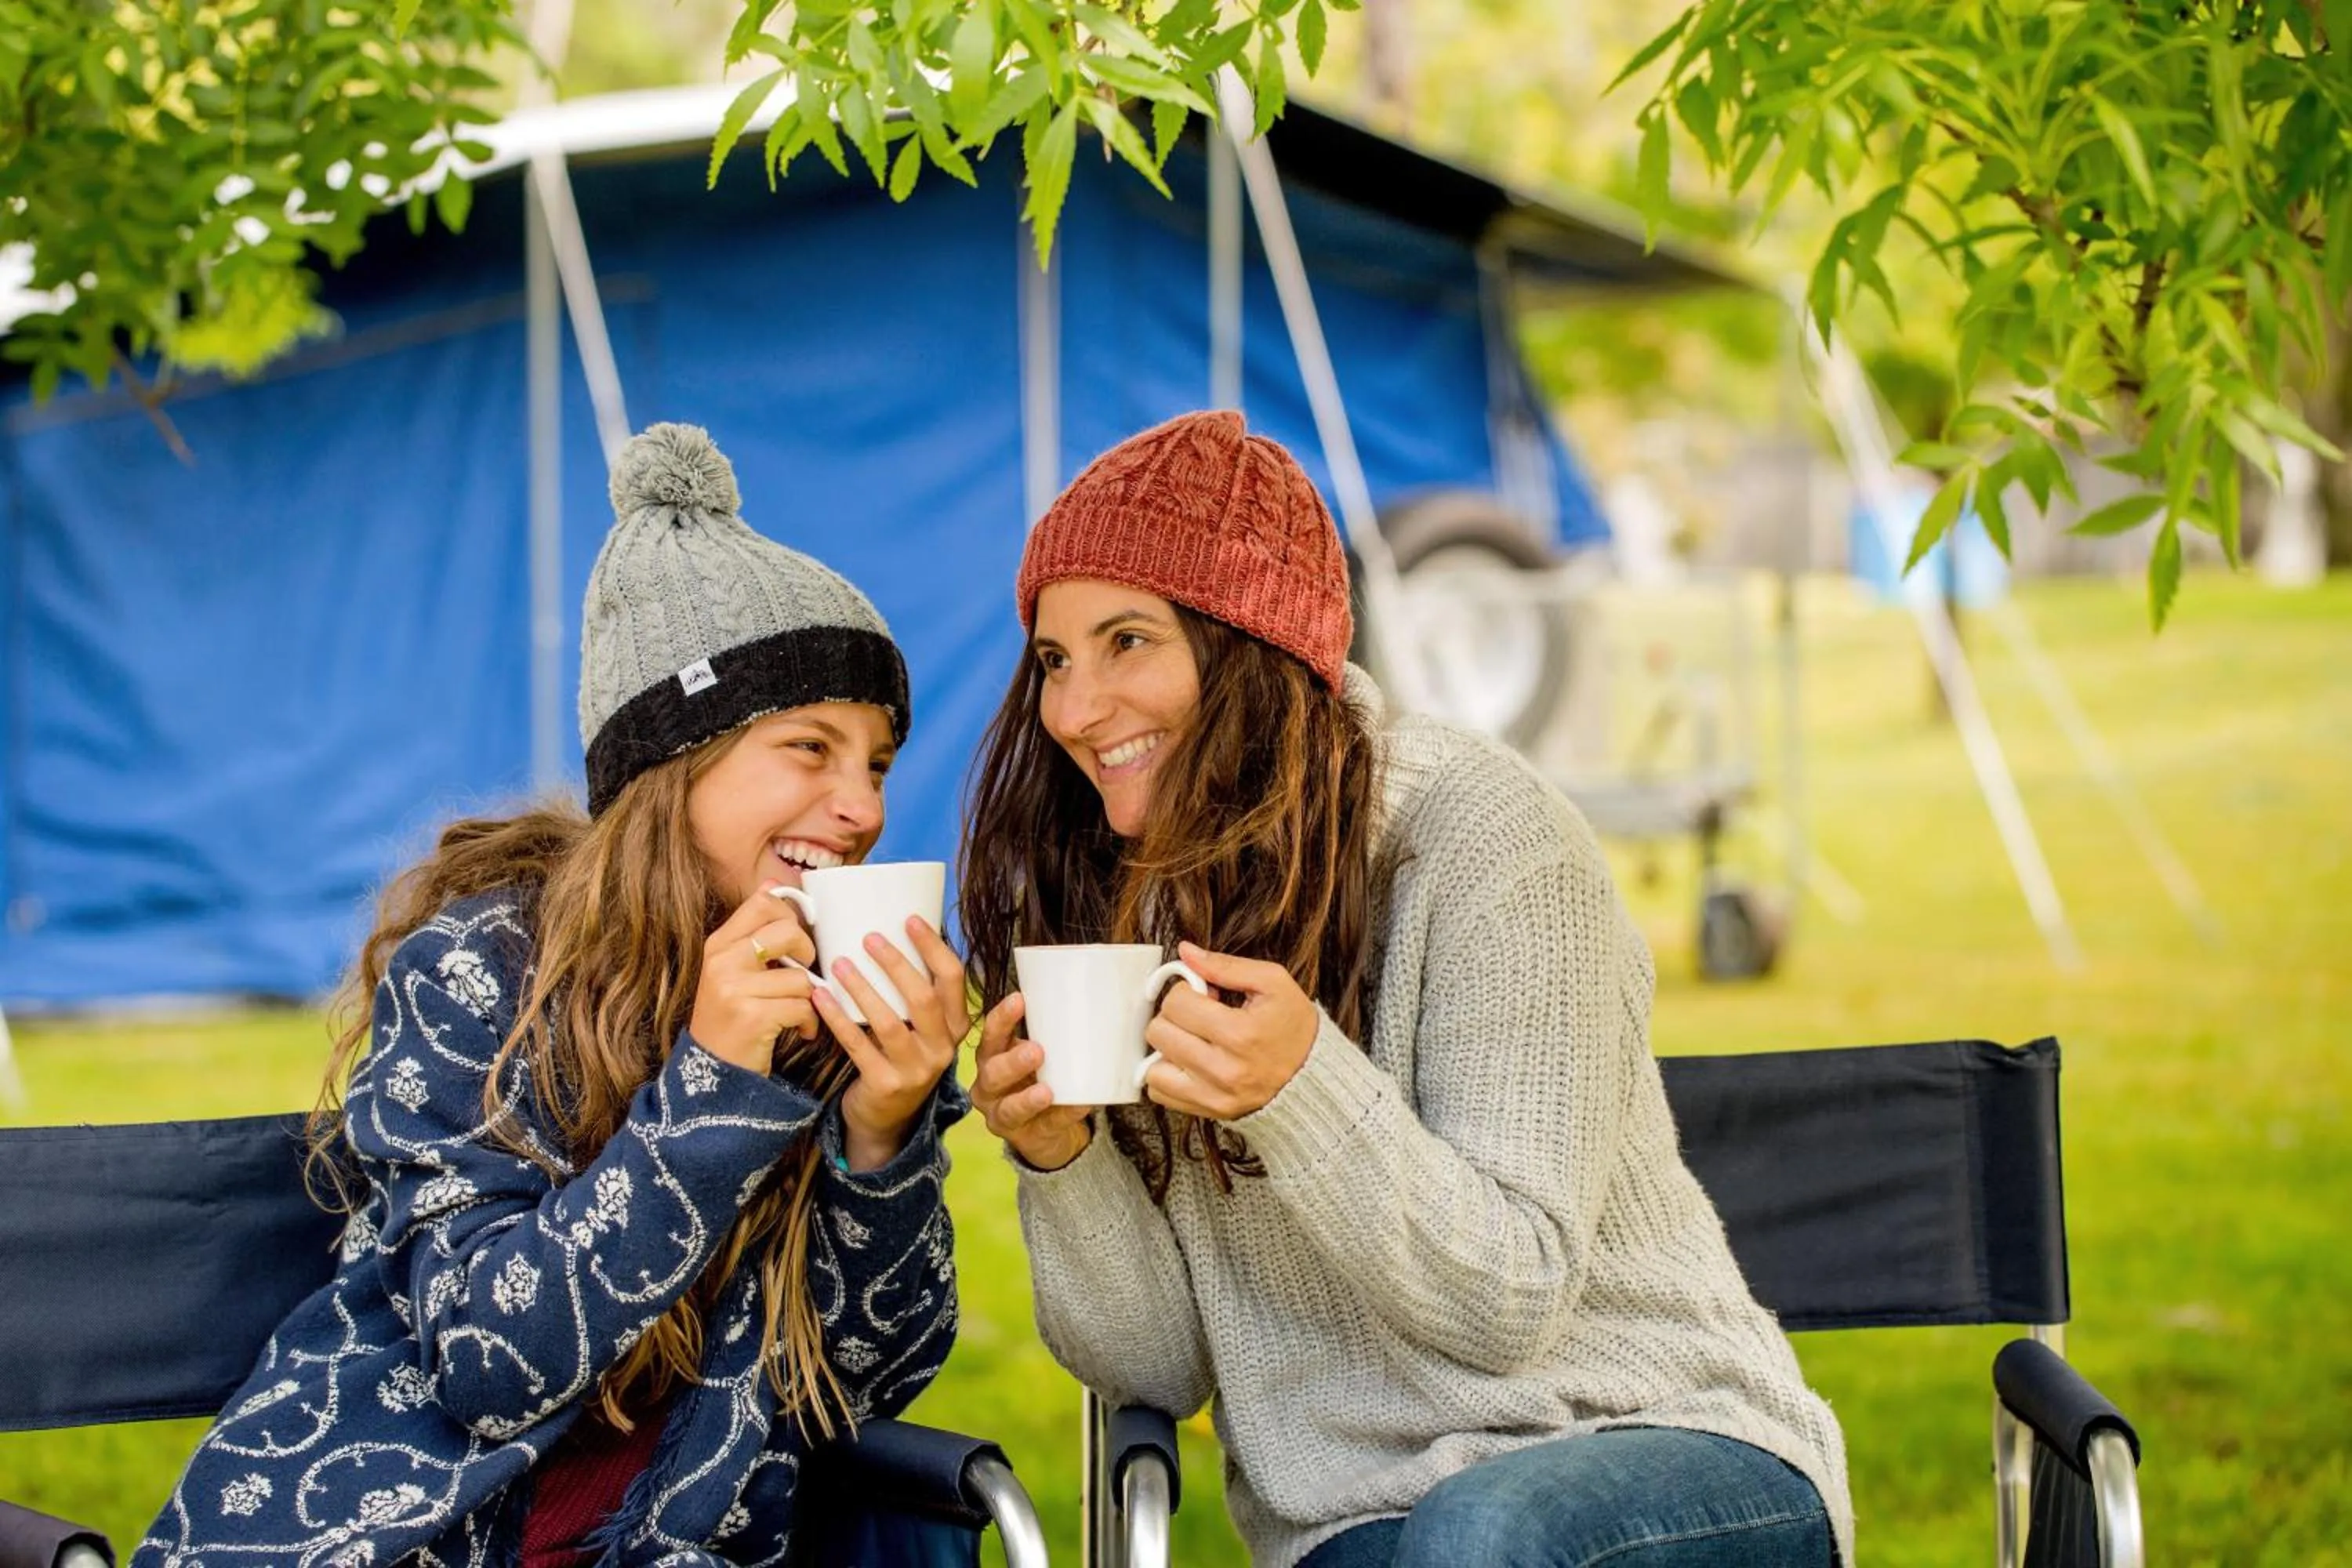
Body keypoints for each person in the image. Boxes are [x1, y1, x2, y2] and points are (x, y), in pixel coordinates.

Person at [961, 411, 1852, 1568]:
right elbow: (1155, 1370)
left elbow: (1509, 1302)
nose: (1075, 711)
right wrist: (1063, 1159)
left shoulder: (1488, 843)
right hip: (1358, 1523)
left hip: (1665, 1449)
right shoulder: (1136, 912)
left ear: (1250, 648)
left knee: (1483, 1537)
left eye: (1129, 641)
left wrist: (1299, 1092)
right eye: (1055, 660)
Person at [136, 425, 968, 1568]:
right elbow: (491, 1363)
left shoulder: (817, 1001)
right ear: (672, 766)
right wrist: (710, 1092)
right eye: (810, 748)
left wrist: (886, 1138)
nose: (861, 805)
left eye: (876, 762)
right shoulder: (482, 976)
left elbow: (874, 1374)